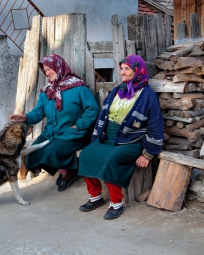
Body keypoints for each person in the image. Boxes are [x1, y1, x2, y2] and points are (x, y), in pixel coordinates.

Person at [78, 55, 164, 220]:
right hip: (109, 136)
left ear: (137, 71)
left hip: (131, 139)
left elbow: (156, 124)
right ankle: (95, 196)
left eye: (127, 69)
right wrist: (97, 135)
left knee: (112, 159)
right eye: (121, 68)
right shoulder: (118, 90)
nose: (122, 72)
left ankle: (116, 203)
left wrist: (148, 153)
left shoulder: (147, 95)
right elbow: (103, 116)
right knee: (86, 154)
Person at [10, 53, 99, 192]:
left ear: (59, 66)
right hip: (51, 132)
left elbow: (92, 110)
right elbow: (38, 113)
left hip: (74, 133)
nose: (47, 72)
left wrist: (79, 126)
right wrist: (26, 118)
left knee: (52, 151)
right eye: (45, 70)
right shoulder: (47, 91)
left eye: (49, 68)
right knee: (33, 152)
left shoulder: (79, 88)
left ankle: (70, 172)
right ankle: (67, 170)